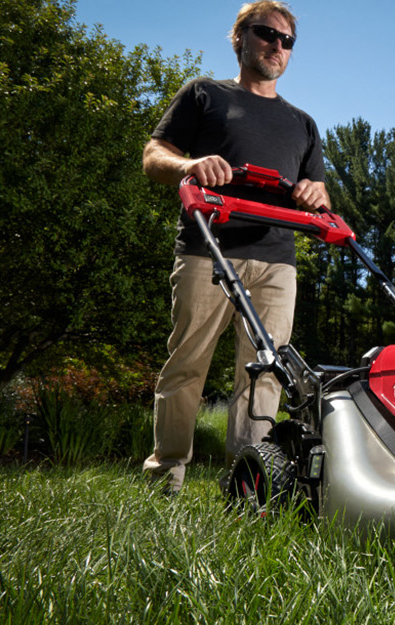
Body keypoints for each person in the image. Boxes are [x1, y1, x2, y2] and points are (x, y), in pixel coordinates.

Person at [141, 1, 330, 494]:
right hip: (207, 249)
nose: (277, 46)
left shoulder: (303, 123)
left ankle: (251, 483)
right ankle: (167, 477)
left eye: (287, 41)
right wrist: (189, 165)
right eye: (267, 33)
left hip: (276, 260)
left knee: (267, 374)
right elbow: (153, 156)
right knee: (187, 363)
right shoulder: (205, 94)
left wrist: (315, 193)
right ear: (239, 38)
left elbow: (319, 192)